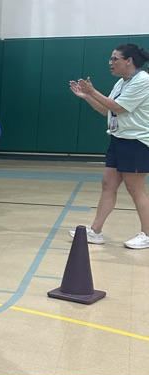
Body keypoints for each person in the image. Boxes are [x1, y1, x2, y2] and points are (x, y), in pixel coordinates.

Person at [69, 42, 149, 248]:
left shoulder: (143, 80)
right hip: (118, 139)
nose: (110, 63)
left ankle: (147, 233)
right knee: (108, 185)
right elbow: (106, 110)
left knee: (135, 189)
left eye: (115, 59)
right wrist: (87, 96)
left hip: (136, 142)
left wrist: (93, 90)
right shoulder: (122, 83)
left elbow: (118, 107)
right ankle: (95, 231)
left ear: (129, 60)